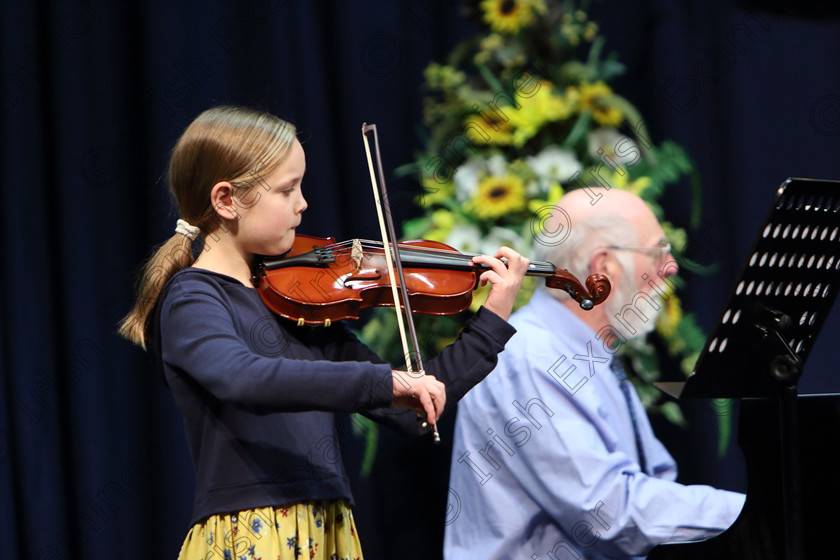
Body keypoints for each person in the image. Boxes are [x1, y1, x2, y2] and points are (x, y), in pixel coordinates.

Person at [118, 105, 530, 560]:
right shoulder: (193, 298)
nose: (303, 203)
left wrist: (492, 318)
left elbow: (415, 406)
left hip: (327, 528)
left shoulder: (296, 300)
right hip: (255, 532)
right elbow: (244, 377)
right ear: (226, 200)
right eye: (287, 189)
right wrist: (383, 382)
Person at [444, 187, 745, 560]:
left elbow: (654, 480)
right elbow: (607, 511)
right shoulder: (530, 356)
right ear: (604, 267)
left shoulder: (588, 351)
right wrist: (749, 511)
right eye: (657, 251)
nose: (671, 266)